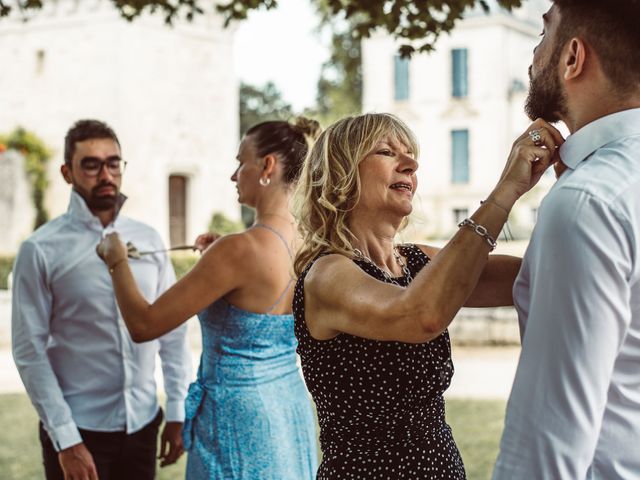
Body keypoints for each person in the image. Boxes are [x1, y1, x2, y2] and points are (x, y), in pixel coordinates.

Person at [291, 112, 562, 479]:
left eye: (411, 154)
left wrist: (572, 186)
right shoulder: (327, 274)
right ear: (342, 173)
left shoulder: (418, 261)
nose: (411, 164)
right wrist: (505, 190)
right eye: (387, 152)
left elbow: (540, 276)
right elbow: (420, 316)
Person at [97, 117, 322, 479]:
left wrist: (116, 259)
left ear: (267, 166)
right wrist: (220, 256)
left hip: (237, 417)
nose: (234, 176)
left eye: (240, 162)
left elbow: (144, 324)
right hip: (287, 406)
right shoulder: (307, 245)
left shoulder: (238, 251)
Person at [493, 1, 640, 478]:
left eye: (543, 36)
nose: (533, 57)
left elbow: (544, 451)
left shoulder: (588, 203)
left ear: (573, 57)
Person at [11, 119, 192, 480]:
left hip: (143, 423)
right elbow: (29, 350)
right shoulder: (40, 249)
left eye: (113, 163)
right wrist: (66, 440)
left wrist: (176, 410)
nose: (105, 174)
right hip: (80, 427)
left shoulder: (150, 238)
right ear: (67, 172)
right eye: (91, 165)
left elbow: (172, 333)